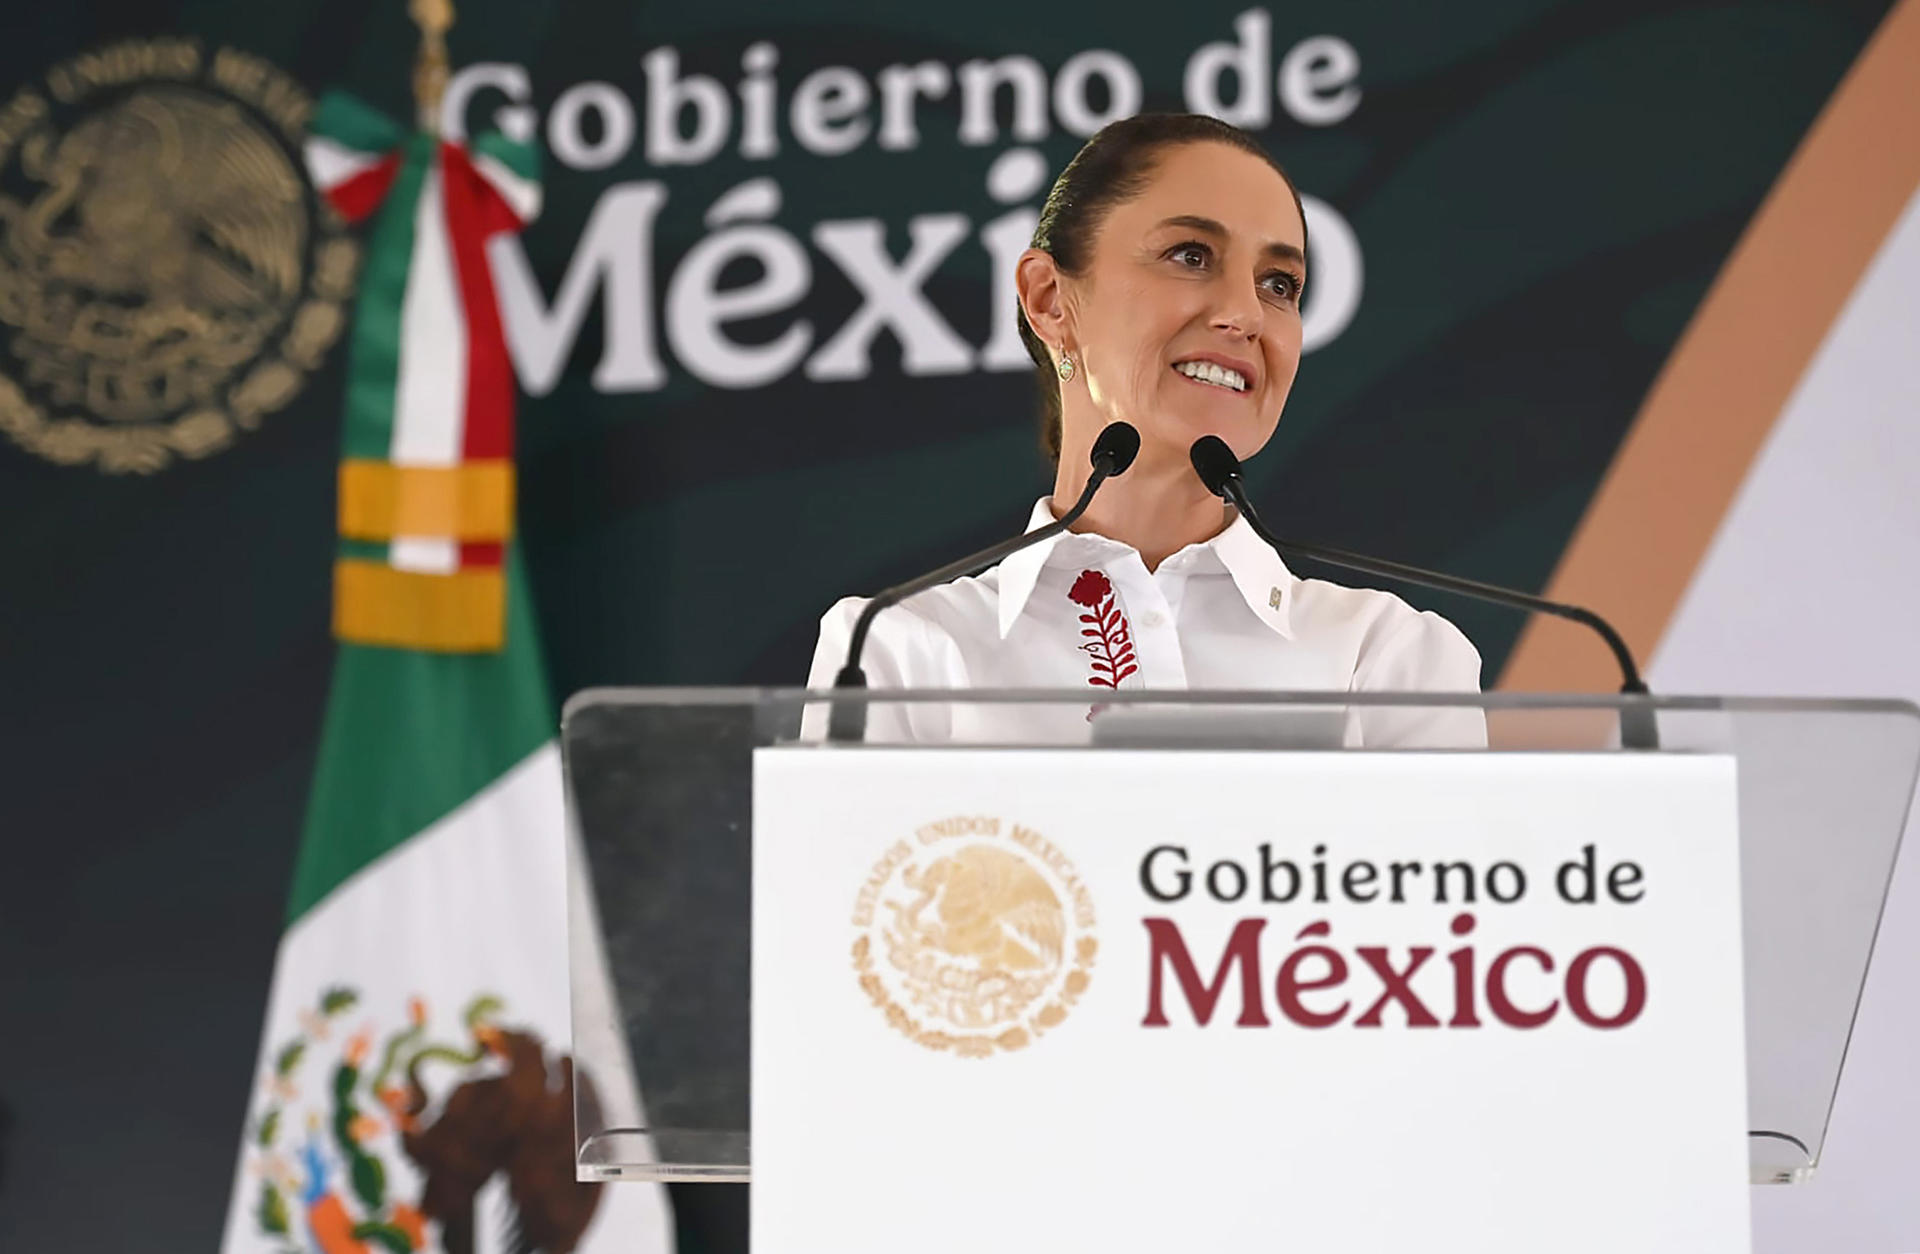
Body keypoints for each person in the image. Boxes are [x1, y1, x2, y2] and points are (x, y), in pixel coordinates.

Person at [806, 113, 1483, 747]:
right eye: (1191, 256)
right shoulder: (897, 647)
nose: (1245, 314)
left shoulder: (1387, 655)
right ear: (1049, 299)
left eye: (1280, 283)